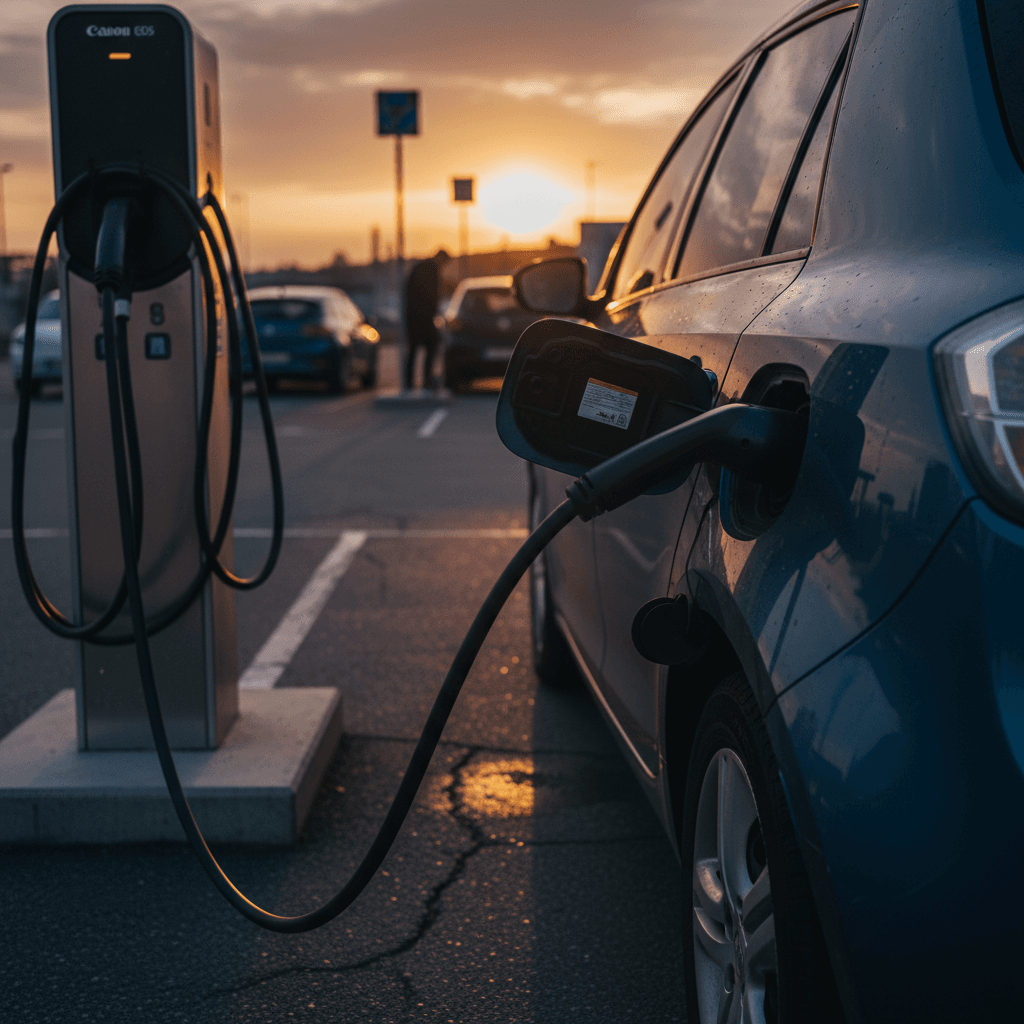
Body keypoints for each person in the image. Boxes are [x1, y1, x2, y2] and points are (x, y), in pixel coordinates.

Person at [403, 249, 449, 390]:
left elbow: (407, 289)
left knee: (413, 349)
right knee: (432, 345)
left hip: (412, 316)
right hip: (424, 317)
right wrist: (436, 312)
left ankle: (409, 382)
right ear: (441, 258)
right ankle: (426, 380)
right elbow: (433, 295)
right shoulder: (433, 269)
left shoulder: (419, 267)